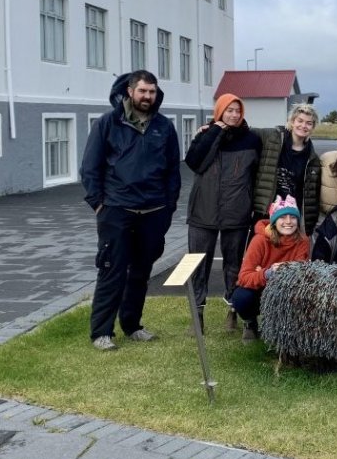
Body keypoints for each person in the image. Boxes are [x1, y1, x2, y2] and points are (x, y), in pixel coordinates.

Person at [80, 70, 181, 351]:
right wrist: (99, 204)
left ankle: (132, 324)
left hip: (154, 211)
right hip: (117, 210)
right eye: (142, 91)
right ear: (129, 91)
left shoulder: (164, 127)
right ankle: (102, 332)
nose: (147, 97)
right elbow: (90, 168)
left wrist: (168, 206)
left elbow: (173, 170)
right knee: (112, 270)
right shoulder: (108, 123)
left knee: (141, 271)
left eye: (152, 92)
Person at [185, 93, 261, 333]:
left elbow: (258, 172)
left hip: (236, 211)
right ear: (219, 112)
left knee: (234, 264)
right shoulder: (205, 135)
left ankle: (233, 311)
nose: (234, 115)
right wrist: (214, 132)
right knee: (198, 264)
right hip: (203, 210)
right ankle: (198, 315)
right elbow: (195, 163)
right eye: (229, 110)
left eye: (238, 111)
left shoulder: (251, 139)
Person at [231, 195, 310, 342]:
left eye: (292, 217)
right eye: (283, 217)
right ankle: (250, 321)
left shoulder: (303, 241)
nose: (288, 222)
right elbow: (244, 277)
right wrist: (267, 273)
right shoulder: (259, 241)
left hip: (287, 289)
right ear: (274, 221)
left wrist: (284, 270)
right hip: (260, 288)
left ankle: (286, 328)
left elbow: (302, 271)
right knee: (241, 297)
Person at [252, 103, 321, 236]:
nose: (303, 126)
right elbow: (245, 131)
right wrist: (212, 126)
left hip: (291, 217)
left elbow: (312, 196)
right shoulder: (273, 137)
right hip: (267, 212)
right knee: (263, 252)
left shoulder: (313, 159)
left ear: (313, 127)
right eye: (299, 121)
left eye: (309, 123)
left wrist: (309, 224)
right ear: (292, 122)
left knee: (287, 254)